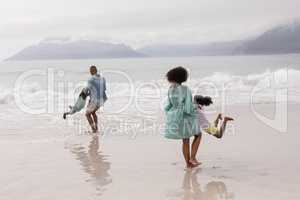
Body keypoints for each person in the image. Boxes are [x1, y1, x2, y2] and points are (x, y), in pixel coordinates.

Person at [164, 67, 202, 168]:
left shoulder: (170, 89)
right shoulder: (185, 89)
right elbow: (188, 107)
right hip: (185, 117)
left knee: (185, 140)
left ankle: (188, 164)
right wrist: (196, 106)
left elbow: (168, 106)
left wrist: (170, 114)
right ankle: (193, 158)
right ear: (183, 77)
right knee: (198, 135)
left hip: (175, 116)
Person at [86, 66, 107, 133]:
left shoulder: (91, 80)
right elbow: (104, 89)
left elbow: (87, 90)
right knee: (93, 112)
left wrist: (85, 95)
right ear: (96, 71)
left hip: (94, 100)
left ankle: (93, 129)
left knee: (87, 114)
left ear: (91, 71)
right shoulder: (103, 78)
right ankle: (96, 128)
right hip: (102, 100)